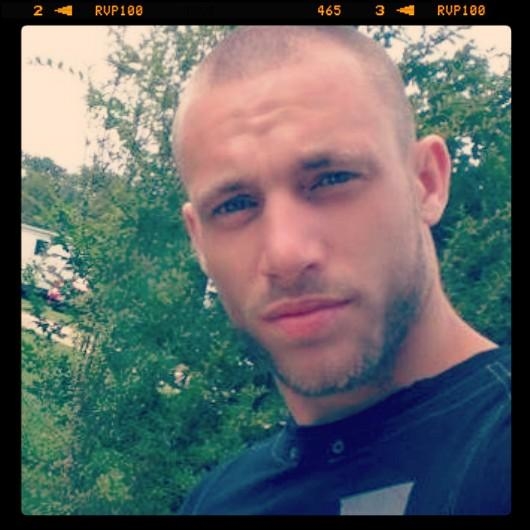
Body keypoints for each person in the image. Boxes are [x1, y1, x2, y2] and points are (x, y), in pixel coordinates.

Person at [171, 26, 510, 515]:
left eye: (331, 179)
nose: (286, 255)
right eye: (235, 205)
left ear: (427, 182)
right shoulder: (217, 501)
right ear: (199, 240)